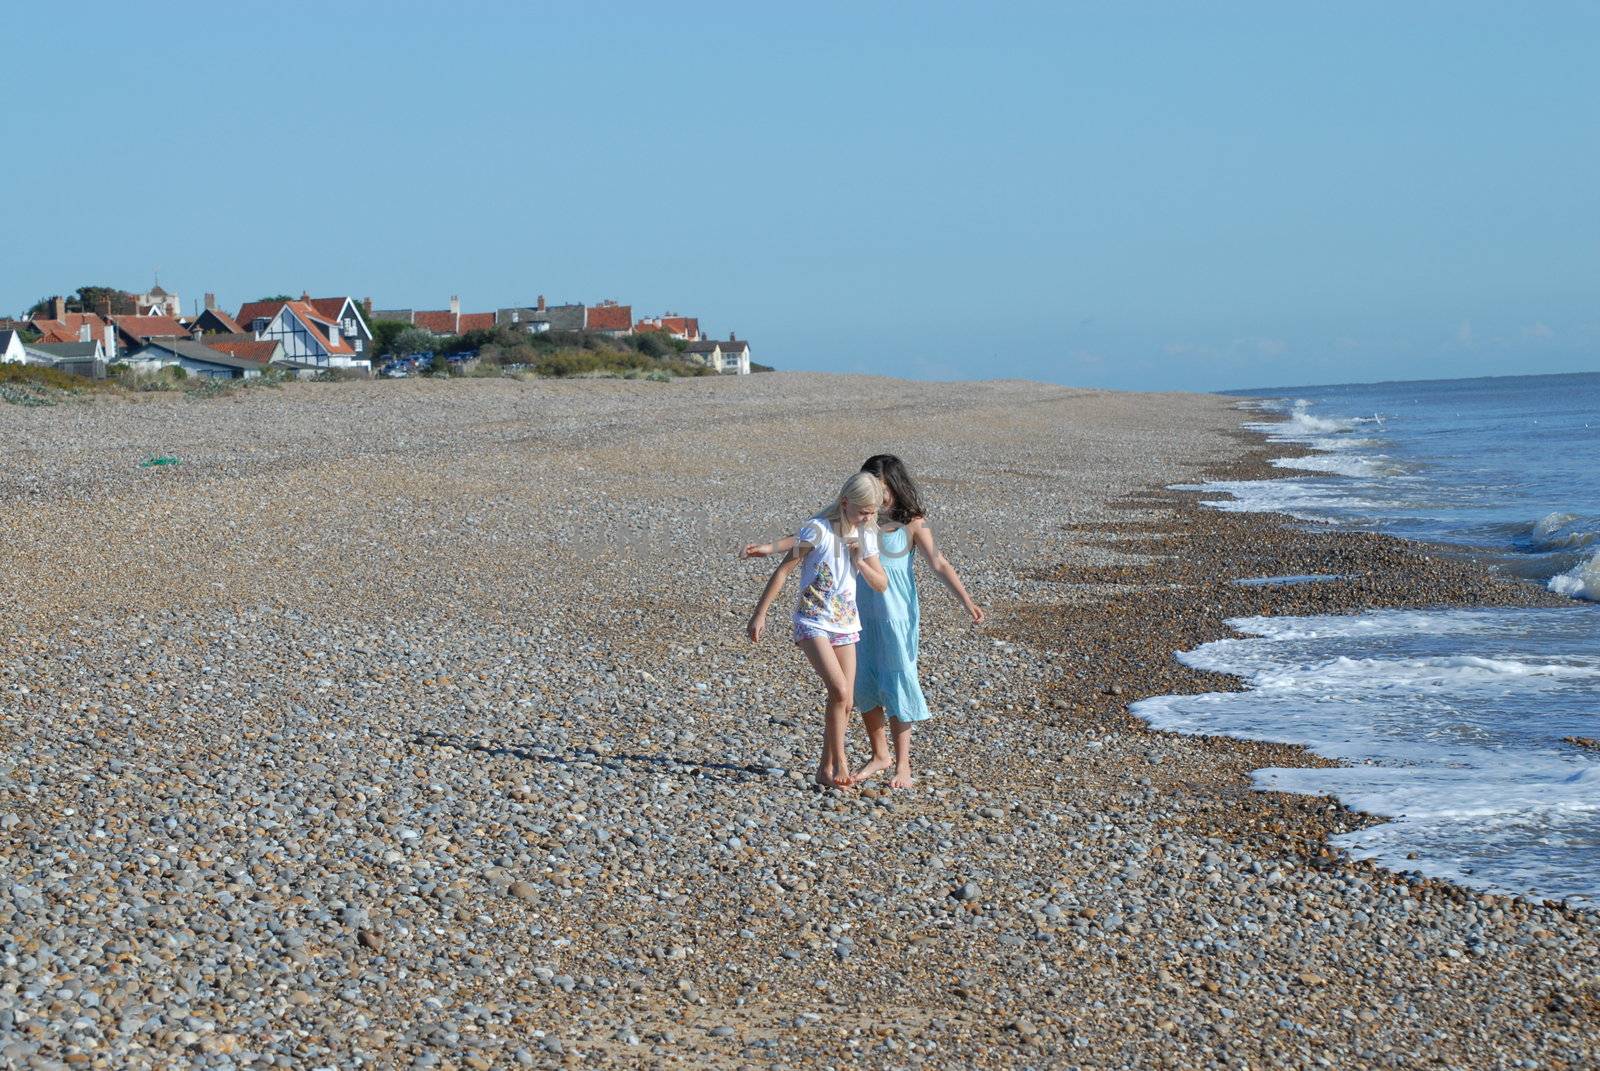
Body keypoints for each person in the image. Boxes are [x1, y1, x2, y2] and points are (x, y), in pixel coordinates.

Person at [743, 455, 983, 788]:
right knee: (858, 688)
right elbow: (802, 539)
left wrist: (966, 599)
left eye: (880, 492)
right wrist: (768, 552)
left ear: (893, 488)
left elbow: (936, 563)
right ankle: (867, 757)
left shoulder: (901, 523)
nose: (875, 502)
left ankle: (899, 764)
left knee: (891, 680)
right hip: (851, 614)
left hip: (891, 615)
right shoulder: (846, 521)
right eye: (868, 494)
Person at [747, 472, 889, 788]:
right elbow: (785, 569)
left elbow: (881, 584)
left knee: (846, 701)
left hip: (845, 624)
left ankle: (824, 770)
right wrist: (760, 613)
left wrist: (861, 562)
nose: (867, 517)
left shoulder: (866, 536)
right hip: (811, 621)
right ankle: (841, 763)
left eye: (872, 512)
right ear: (844, 502)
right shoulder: (819, 530)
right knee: (839, 691)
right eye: (863, 511)